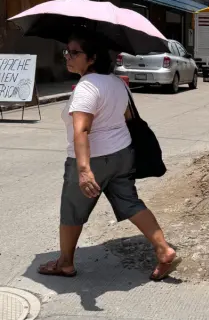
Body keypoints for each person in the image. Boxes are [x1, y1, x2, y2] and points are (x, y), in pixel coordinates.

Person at [38, 34, 179, 281]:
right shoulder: (117, 83)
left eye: (74, 52)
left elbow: (82, 129)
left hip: (92, 159)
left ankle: (65, 263)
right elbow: (125, 118)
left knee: (72, 211)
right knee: (130, 203)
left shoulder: (87, 87)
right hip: (122, 155)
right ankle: (164, 249)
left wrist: (84, 170)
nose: (67, 57)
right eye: (66, 52)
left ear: (92, 58)